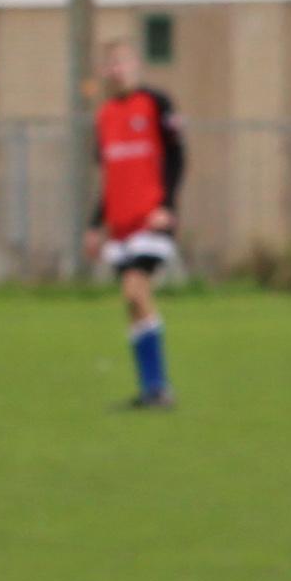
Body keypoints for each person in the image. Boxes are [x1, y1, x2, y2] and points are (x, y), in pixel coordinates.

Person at [82, 34, 184, 408]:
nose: (117, 70)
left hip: (152, 221)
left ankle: (158, 387)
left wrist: (167, 205)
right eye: (110, 64)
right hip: (121, 227)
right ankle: (152, 389)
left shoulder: (156, 104)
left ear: (136, 65)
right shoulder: (105, 116)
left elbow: (177, 157)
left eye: (123, 62)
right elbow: (110, 177)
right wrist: (95, 225)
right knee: (134, 302)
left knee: (135, 289)